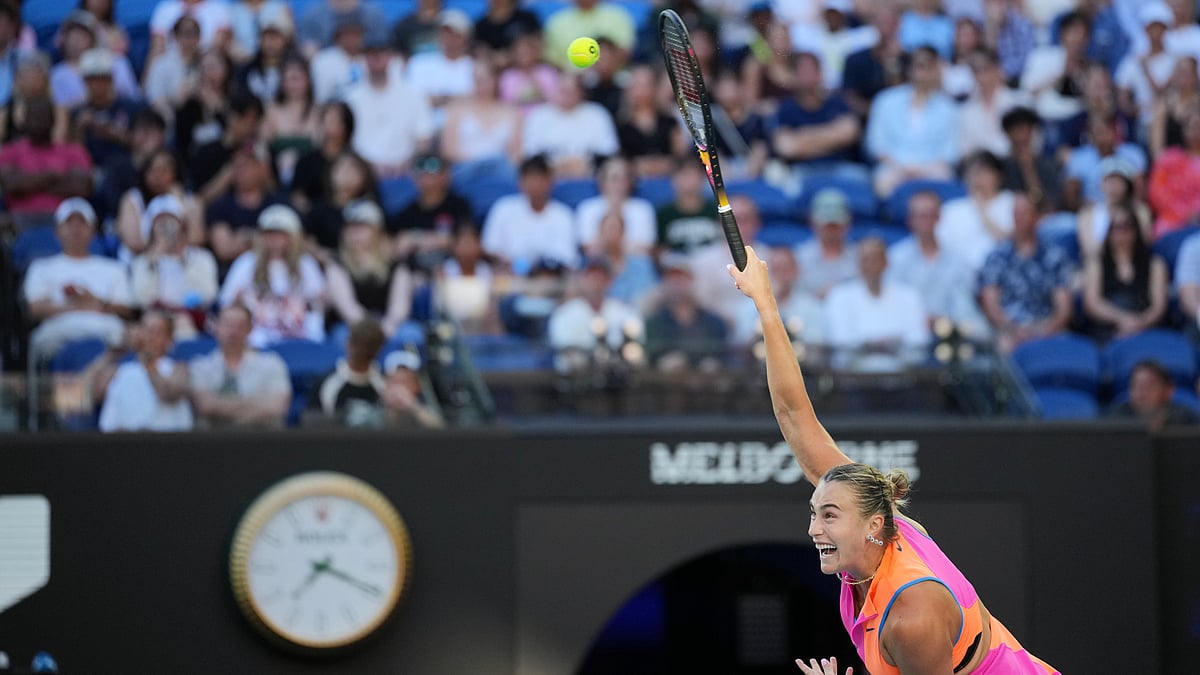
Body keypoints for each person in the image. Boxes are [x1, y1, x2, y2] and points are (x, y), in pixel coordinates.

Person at [726, 244, 1059, 675]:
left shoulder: (910, 616)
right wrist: (766, 302)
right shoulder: (874, 534)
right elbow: (793, 416)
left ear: (873, 526)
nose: (813, 528)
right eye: (815, 512)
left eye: (828, 515)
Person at [22, 198, 132, 361]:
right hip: (58, 331)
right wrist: (80, 305)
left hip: (106, 332)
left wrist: (95, 302)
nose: (76, 229)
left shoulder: (114, 268)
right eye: (69, 223)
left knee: (123, 336)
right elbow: (35, 308)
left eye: (82, 223)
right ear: (57, 231)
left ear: (93, 231)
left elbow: (126, 309)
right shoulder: (41, 267)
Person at [217, 204, 327, 346]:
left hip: (299, 334)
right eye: (269, 234)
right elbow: (226, 302)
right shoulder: (246, 262)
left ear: (293, 237)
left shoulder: (305, 264)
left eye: (280, 234)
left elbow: (316, 305)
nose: (274, 239)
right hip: (257, 335)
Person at [978, 193, 1074, 354]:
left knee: (1067, 350)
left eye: (1024, 213)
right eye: (1016, 213)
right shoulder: (996, 257)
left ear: (1036, 217)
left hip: (1047, 325)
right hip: (1008, 329)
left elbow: (1063, 308)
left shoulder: (1054, 256)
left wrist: (1045, 329)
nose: (1018, 218)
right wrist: (1013, 329)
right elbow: (990, 304)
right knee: (1002, 349)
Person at [825, 238, 930, 373]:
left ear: (886, 262)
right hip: (852, 381)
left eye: (876, 259)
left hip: (903, 378)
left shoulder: (910, 295)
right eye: (866, 260)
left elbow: (919, 339)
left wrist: (868, 344)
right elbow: (841, 341)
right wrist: (892, 342)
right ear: (858, 264)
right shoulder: (839, 296)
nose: (871, 265)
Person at [128, 194, 220, 338]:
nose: (166, 227)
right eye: (160, 222)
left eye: (171, 220)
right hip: (157, 319)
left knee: (183, 323)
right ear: (152, 228)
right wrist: (154, 261)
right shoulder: (141, 262)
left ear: (182, 224)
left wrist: (183, 262)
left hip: (192, 318)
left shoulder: (202, 258)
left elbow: (208, 294)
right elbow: (142, 299)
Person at [189, 303, 293, 428]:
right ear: (216, 326)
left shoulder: (272, 363)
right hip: (212, 442)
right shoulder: (200, 366)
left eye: (240, 326)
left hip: (262, 440)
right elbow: (205, 406)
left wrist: (220, 406)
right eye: (228, 324)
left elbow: (278, 407)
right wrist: (256, 403)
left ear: (250, 329)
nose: (234, 331)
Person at [0, 95, 92, 230]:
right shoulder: (10, 151)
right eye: (33, 117)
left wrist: (29, 184)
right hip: (21, 220)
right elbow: (11, 184)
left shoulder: (73, 151)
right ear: (24, 120)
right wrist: (51, 176)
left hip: (64, 219)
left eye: (43, 117)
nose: (38, 122)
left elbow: (82, 188)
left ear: (53, 120)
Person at [326, 199, 414, 339]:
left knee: (411, 333)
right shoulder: (336, 264)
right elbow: (347, 307)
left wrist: (386, 328)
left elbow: (400, 307)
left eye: (362, 227)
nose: (355, 233)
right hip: (353, 326)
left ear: (377, 230)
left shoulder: (396, 264)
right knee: (341, 335)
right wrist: (370, 330)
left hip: (390, 326)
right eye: (351, 227)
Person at [1080, 202, 1168, 342]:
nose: (1120, 233)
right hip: (1108, 329)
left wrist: (1138, 323)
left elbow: (1158, 306)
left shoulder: (1155, 264)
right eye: (1115, 228)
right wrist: (1123, 320)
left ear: (1136, 230)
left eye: (1126, 227)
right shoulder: (1096, 264)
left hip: (1146, 328)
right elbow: (1092, 303)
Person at [93, 311, 194, 433]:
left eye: (156, 332)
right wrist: (114, 351)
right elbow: (89, 395)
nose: (149, 336)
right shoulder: (120, 370)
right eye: (145, 330)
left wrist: (146, 361)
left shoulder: (178, 368)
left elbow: (170, 393)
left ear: (169, 340)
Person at [644, 254, 728, 373]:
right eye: (672, 278)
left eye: (682, 277)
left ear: (692, 280)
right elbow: (649, 359)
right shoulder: (654, 323)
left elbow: (723, 357)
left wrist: (711, 364)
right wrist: (663, 363)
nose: (677, 283)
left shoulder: (714, 322)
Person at [311, 316, 389, 427]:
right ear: (349, 343)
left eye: (368, 348)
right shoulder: (326, 383)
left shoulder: (385, 384)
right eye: (358, 345)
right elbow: (312, 426)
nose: (361, 352)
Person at [796, 188, 859, 299]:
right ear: (812, 223)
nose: (831, 231)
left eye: (836, 226)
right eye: (827, 226)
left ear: (848, 223)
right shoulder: (800, 258)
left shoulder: (859, 257)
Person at [1108, 359, 1200, 430]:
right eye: (1135, 385)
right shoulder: (1118, 420)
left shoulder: (1186, 420)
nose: (1141, 392)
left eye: (1149, 386)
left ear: (1168, 390)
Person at [380, 348, 445, 428]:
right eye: (395, 381)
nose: (400, 389)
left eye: (405, 381)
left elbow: (439, 428)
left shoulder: (424, 408)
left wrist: (413, 406)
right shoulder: (377, 405)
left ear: (417, 385)